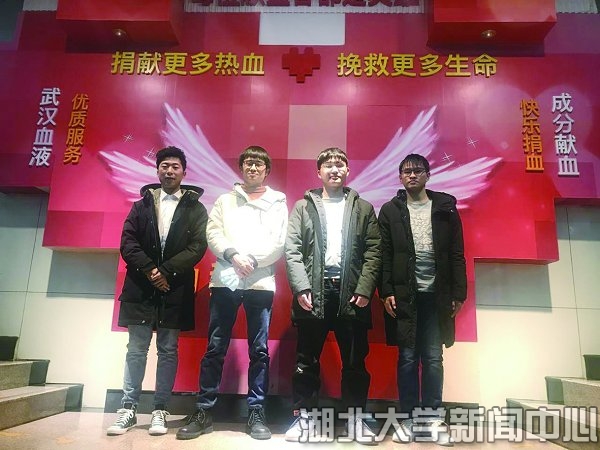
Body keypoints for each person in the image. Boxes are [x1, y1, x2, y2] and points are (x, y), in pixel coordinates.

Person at [176, 146, 288, 441]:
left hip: (260, 283)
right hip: (225, 280)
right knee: (215, 347)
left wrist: (252, 262)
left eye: (259, 164)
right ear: (241, 168)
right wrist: (234, 256)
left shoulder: (278, 201)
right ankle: (203, 410)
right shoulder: (225, 201)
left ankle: (256, 411)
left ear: (266, 170)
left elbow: (279, 241)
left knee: (259, 350)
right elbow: (213, 233)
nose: (253, 168)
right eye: (248, 163)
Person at [106, 146, 208, 436]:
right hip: (141, 287)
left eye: (175, 166)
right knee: (136, 349)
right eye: (165, 166)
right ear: (157, 170)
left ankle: (160, 410)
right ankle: (128, 409)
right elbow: (128, 243)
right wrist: (152, 270)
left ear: (184, 172)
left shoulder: (195, 208)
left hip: (174, 288)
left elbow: (197, 247)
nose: (170, 171)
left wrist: (165, 272)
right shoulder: (140, 206)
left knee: (168, 350)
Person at [284, 147, 381, 444]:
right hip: (313, 292)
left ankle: (355, 419)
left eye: (340, 164)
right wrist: (301, 287)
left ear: (348, 170)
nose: (334, 169)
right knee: (306, 360)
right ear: (319, 172)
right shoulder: (303, 206)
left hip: (351, 294)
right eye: (328, 165)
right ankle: (305, 419)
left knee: (355, 361)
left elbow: (374, 251)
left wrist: (364, 289)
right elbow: (292, 249)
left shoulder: (363, 208)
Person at [378, 153, 467, 447]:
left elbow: (456, 252)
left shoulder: (445, 207)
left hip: (437, 296)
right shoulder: (390, 210)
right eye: (406, 171)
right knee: (406, 359)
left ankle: (433, 419)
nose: (412, 175)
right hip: (405, 296)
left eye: (418, 170)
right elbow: (384, 255)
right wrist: (386, 291)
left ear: (428, 175)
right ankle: (407, 420)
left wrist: (458, 293)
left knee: (432, 358)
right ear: (400, 177)